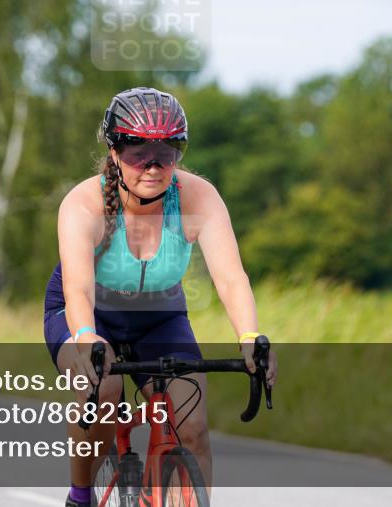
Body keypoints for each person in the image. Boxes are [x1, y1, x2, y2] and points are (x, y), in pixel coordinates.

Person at [43, 86, 278, 507]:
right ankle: (79, 496)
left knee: (192, 421)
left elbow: (231, 278)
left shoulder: (197, 197)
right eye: (138, 151)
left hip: (159, 315)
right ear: (114, 152)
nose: (153, 165)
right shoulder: (83, 204)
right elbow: (78, 288)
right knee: (104, 388)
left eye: (167, 152)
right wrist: (86, 338)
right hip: (86, 313)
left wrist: (250, 337)